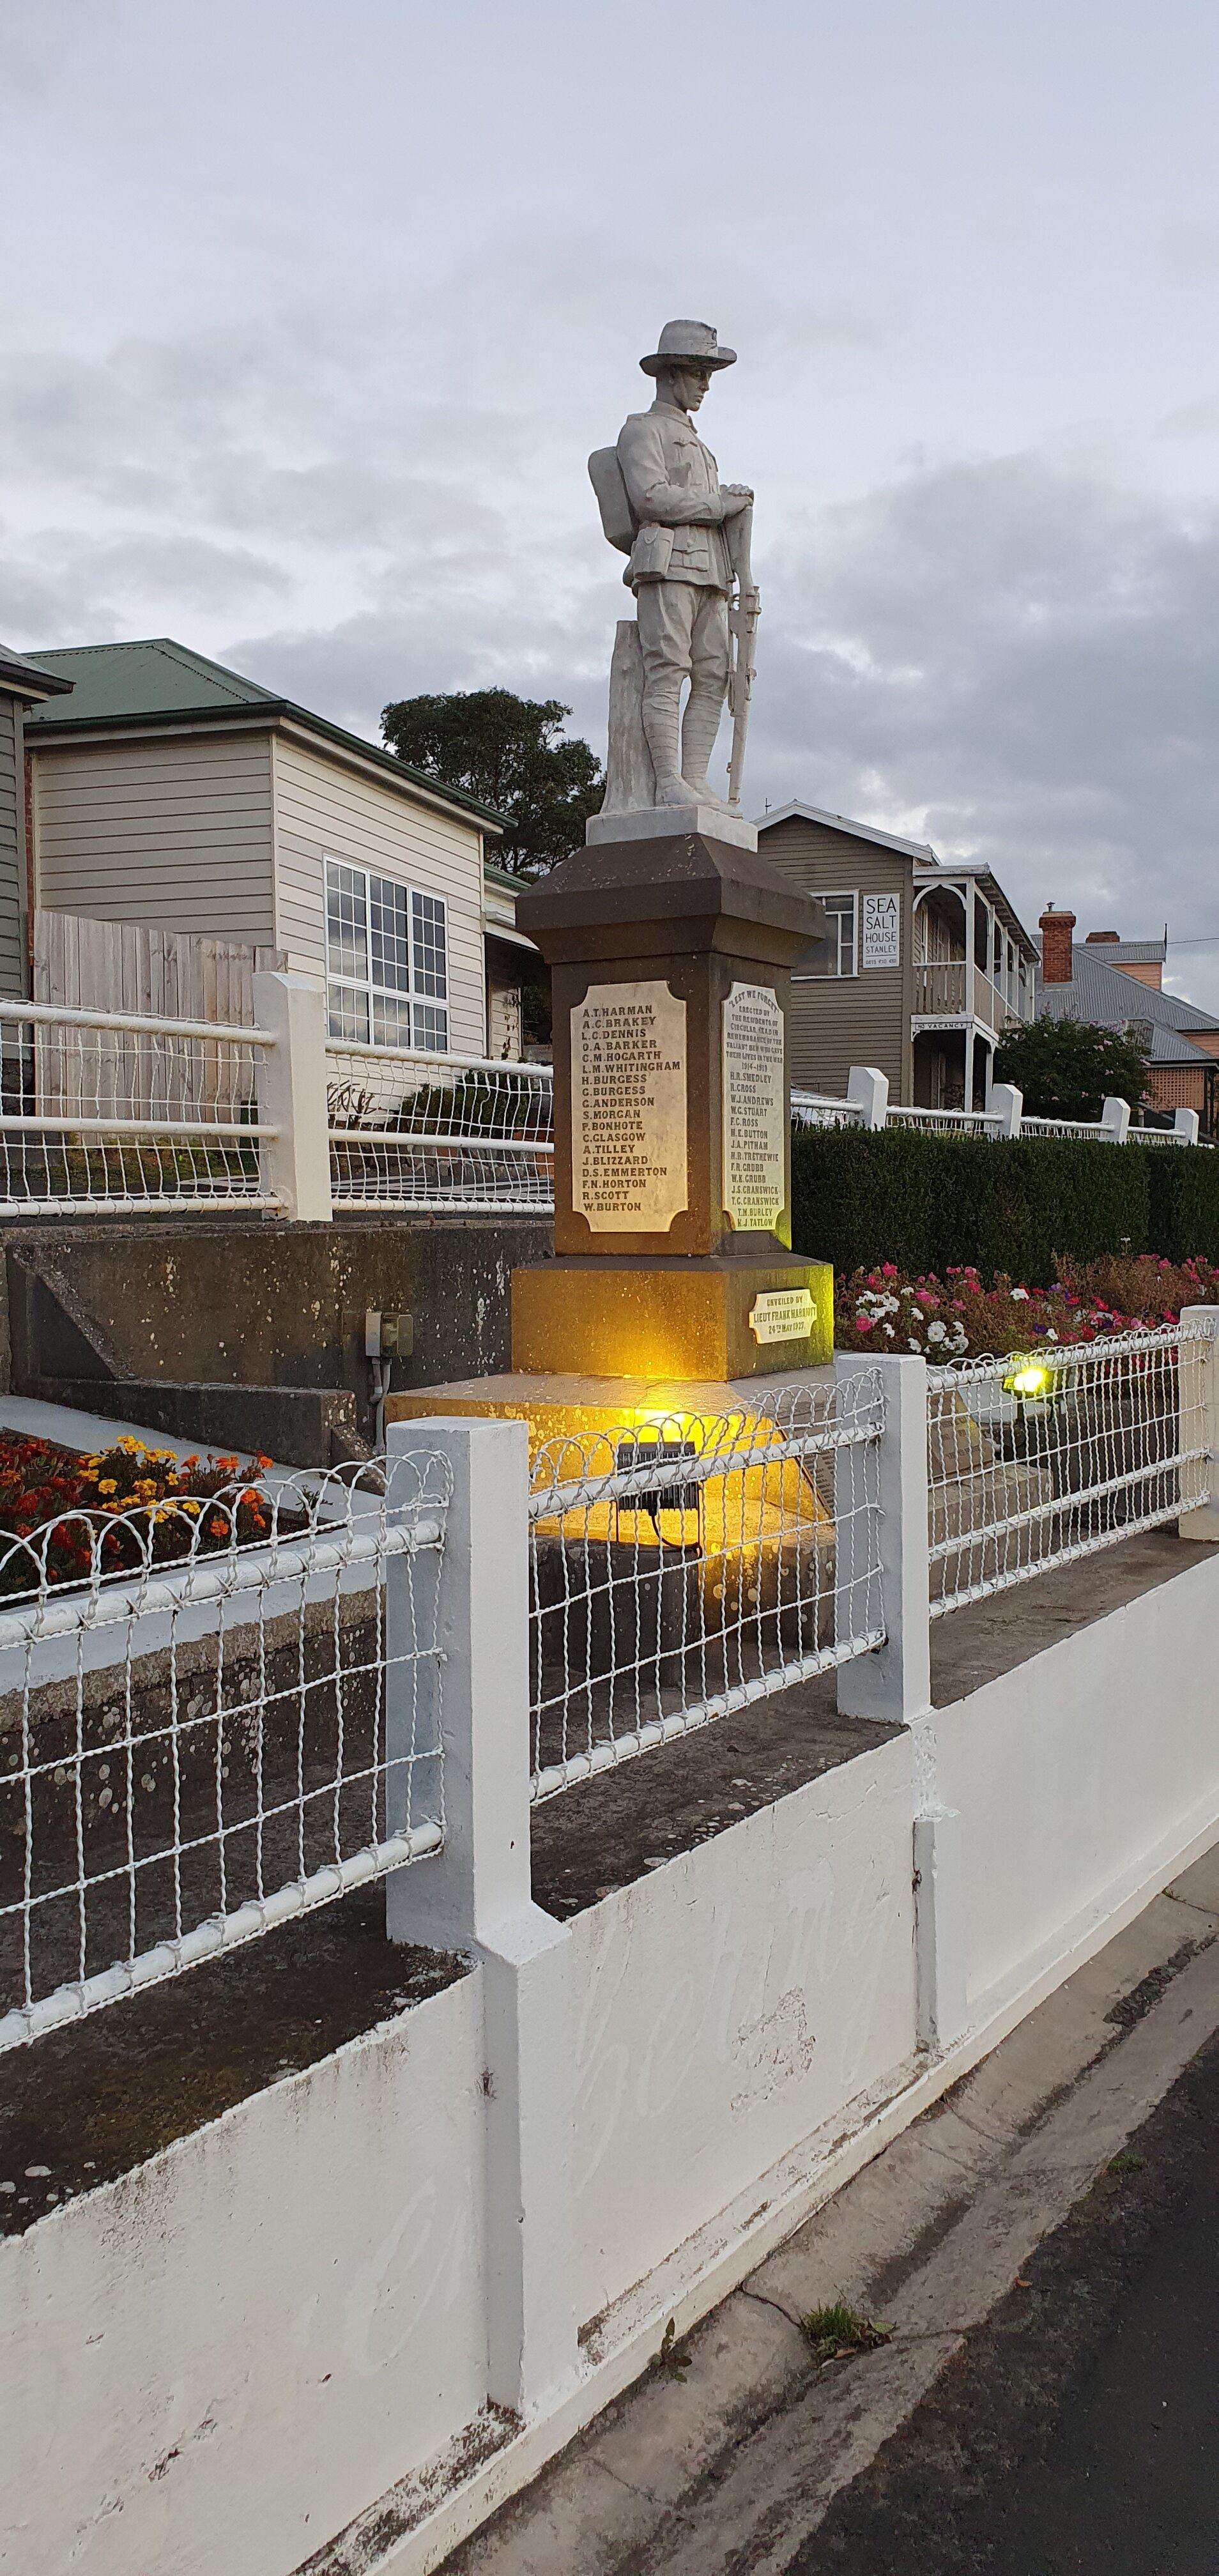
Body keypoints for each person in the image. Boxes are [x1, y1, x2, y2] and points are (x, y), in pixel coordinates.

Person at [613, 319, 753, 810]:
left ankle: (694, 778)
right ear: (671, 374)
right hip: (669, 564)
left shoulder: (702, 446)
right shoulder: (642, 430)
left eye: (707, 372)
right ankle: (668, 779)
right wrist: (720, 504)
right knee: (668, 671)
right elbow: (650, 498)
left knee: (715, 674)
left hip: (712, 572)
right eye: (698, 371)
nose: (706, 384)